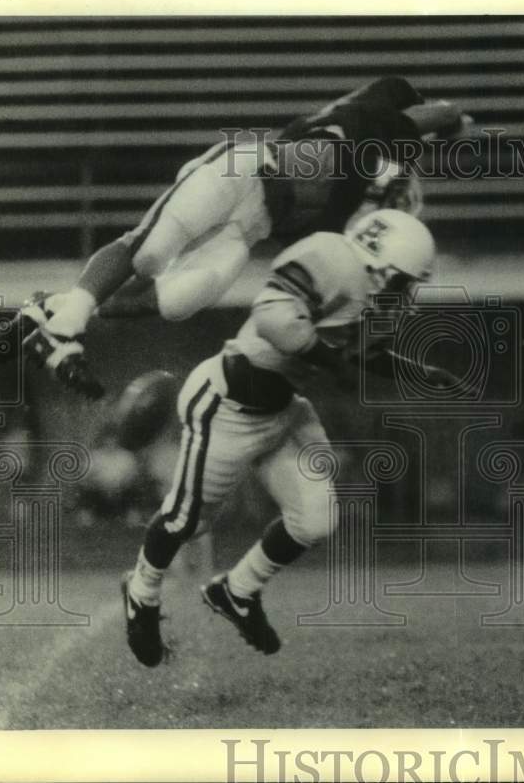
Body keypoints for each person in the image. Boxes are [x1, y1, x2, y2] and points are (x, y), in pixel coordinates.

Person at [121, 209, 457, 667]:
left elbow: (359, 352)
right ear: (381, 266)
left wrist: (419, 372)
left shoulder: (367, 293)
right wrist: (331, 361)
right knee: (185, 521)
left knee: (316, 520)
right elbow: (271, 317)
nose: (407, 296)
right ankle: (141, 592)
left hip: (284, 412)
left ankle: (236, 590)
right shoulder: (331, 258)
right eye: (405, 283)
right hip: (228, 405)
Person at [0, 78, 470, 399]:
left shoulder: (351, 208)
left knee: (178, 301)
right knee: (150, 254)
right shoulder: (365, 127)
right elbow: (447, 114)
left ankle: (49, 309)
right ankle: (64, 331)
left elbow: (342, 309)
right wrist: (456, 126)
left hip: (252, 226)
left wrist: (410, 368)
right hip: (239, 173)